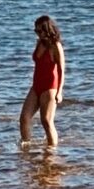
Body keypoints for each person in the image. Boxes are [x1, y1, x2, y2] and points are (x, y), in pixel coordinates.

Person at [19, 15, 65, 150]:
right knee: (24, 118)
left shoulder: (56, 46)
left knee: (46, 121)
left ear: (47, 30)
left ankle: (51, 152)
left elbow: (62, 69)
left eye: (40, 31)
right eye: (36, 31)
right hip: (36, 85)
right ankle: (26, 148)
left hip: (50, 87)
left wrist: (59, 92)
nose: (38, 34)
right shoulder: (39, 43)